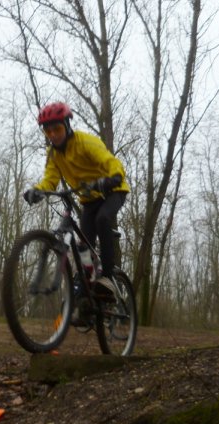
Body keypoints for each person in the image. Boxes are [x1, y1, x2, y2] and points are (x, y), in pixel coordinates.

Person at [23, 102, 130, 297]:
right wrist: (38, 191)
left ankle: (107, 278)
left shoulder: (85, 142)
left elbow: (110, 162)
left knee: (103, 220)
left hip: (112, 190)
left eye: (57, 129)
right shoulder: (53, 154)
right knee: (83, 246)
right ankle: (87, 289)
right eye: (48, 131)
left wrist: (112, 178)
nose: (53, 135)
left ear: (67, 125)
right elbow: (50, 179)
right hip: (89, 200)